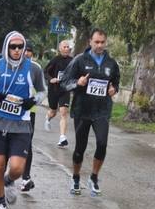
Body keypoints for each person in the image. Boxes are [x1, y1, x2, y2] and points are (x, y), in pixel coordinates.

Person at [0, 31, 46, 209]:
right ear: (6, 47)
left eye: (20, 47)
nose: (17, 50)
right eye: (13, 46)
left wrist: (33, 101)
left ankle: (9, 181)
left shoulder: (34, 69)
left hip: (20, 125)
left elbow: (42, 92)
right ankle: (0, 205)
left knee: (17, 169)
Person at [61, 27, 120, 196]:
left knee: (102, 144)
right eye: (97, 42)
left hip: (101, 110)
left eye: (102, 42)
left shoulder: (111, 63)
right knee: (80, 147)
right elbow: (65, 81)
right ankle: (75, 177)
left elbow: (115, 82)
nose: (100, 45)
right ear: (90, 42)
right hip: (83, 110)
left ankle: (93, 177)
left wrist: (113, 90)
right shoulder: (80, 60)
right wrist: (77, 82)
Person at [44, 40, 73, 146]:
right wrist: (51, 79)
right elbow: (46, 71)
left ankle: (62, 137)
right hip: (54, 89)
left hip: (64, 90)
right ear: (60, 49)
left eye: (68, 47)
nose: (66, 49)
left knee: (64, 112)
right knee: (53, 112)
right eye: (64, 47)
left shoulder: (72, 61)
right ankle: (48, 118)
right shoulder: (55, 60)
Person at [21, 39, 37, 192]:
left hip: (29, 113)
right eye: (24, 50)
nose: (26, 53)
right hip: (10, 112)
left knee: (27, 144)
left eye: (29, 51)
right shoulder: (10, 66)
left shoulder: (35, 69)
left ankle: (26, 177)